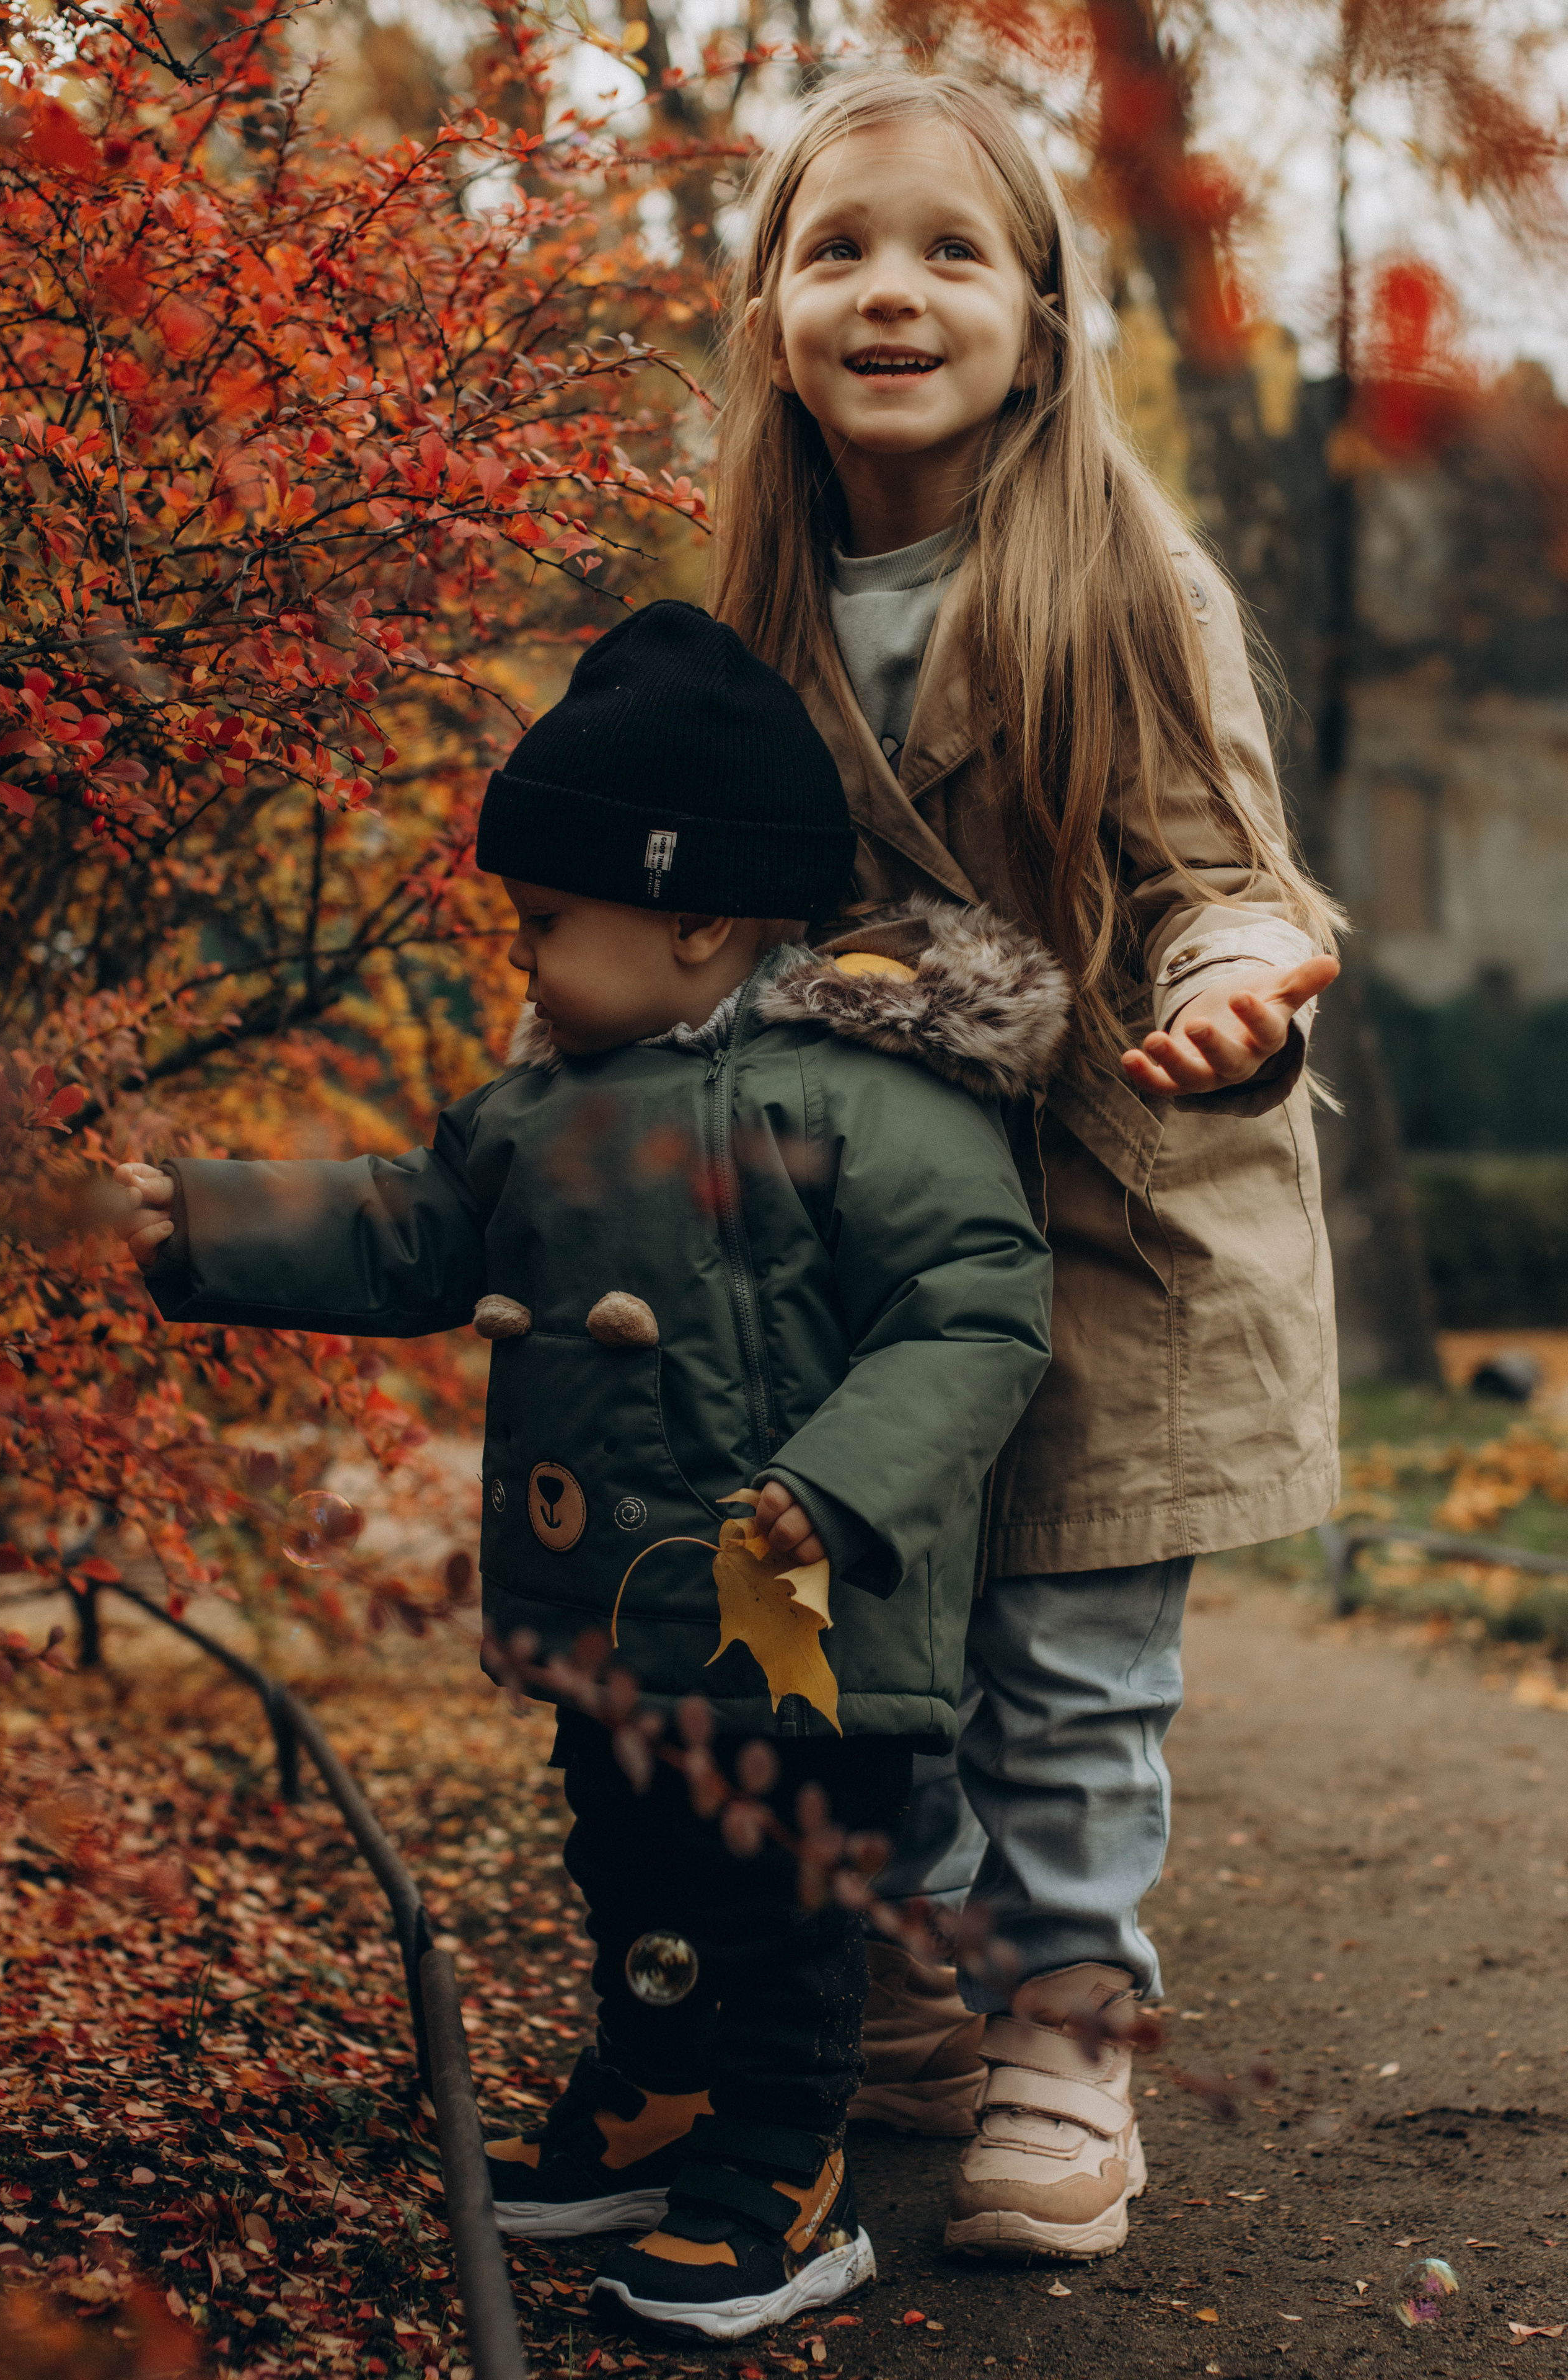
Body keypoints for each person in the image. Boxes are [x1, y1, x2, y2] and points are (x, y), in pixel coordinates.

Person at [110, 601, 1066, 2338]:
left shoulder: (872, 1098)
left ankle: (785, 2171)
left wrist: (840, 1485)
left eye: (550, 921)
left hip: (805, 1631)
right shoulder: (549, 1110)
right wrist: (215, 1223)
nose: (527, 957)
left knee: (780, 1905)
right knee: (628, 1865)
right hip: (612, 1615)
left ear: (696, 912)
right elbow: (413, 1226)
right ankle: (657, 2100)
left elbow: (978, 1313)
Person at [710, 66, 1344, 2262]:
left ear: (1046, 320)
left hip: (1109, 1193)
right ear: (774, 315)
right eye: (840, 249)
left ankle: (1065, 2026)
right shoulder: (755, 613)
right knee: (874, 1620)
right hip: (874, 1232)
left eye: (951, 248)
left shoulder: (1116, 578)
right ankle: (919, 1957)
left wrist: (1248, 976)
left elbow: (1222, 875)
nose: (893, 289)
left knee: (1068, 1657)